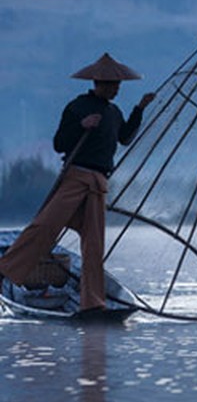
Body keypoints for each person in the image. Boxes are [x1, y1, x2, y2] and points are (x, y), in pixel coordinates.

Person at [0, 53, 155, 313]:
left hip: (98, 184)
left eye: (118, 86)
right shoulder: (78, 107)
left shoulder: (114, 112)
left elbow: (125, 137)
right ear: (100, 83)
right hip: (76, 177)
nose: (117, 90)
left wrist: (139, 109)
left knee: (94, 246)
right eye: (113, 85)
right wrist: (81, 126)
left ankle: (93, 302)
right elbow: (60, 143)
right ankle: (6, 270)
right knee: (45, 226)